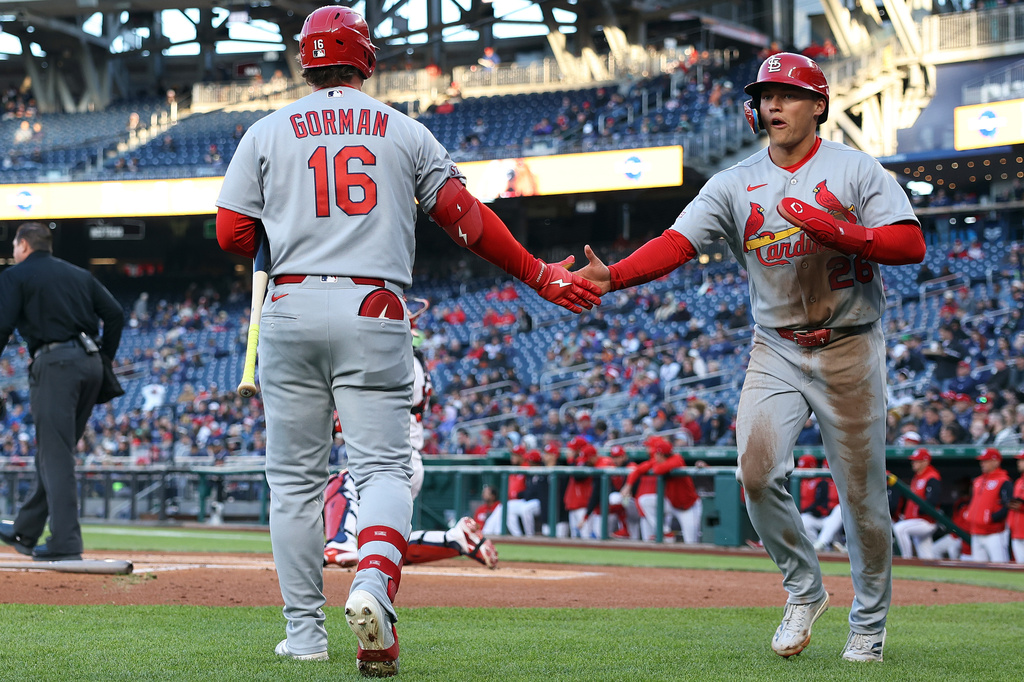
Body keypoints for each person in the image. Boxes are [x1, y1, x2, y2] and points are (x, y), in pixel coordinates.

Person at [214, 6, 600, 675]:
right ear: (367, 60)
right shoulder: (403, 130)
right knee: (383, 470)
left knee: (295, 486)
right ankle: (371, 582)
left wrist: (279, 237)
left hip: (290, 304)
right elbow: (466, 220)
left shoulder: (266, 131)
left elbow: (231, 235)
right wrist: (539, 274)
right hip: (375, 303)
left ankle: (304, 636)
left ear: (305, 61)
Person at [577, 52, 925, 663]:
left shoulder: (855, 168)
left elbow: (910, 242)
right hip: (778, 348)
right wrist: (618, 277)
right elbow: (677, 243)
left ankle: (868, 624)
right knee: (758, 474)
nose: (774, 104)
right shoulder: (734, 182)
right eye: (766, 94)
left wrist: (845, 233)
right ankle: (804, 588)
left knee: (864, 500)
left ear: (817, 104)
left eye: (788, 94)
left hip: (850, 344)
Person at [0, 222, 124, 562]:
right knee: (56, 451)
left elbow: (2, 326)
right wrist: (105, 358)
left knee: (55, 455)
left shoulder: (16, 275)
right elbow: (114, 314)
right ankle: (25, 528)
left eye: (14, 245)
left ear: (24, 244)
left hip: (55, 365)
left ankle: (66, 541)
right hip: (90, 364)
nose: (13, 252)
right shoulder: (79, 274)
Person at [622, 436, 702, 543]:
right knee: (645, 501)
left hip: (688, 506)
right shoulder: (658, 461)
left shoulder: (677, 459)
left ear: (662, 455)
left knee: (691, 543)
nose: (655, 456)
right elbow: (637, 470)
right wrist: (628, 485)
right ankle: (664, 531)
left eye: (657, 454)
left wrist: (654, 465)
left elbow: (659, 470)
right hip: (671, 503)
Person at [964, 447, 1013, 563]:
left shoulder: (1004, 480)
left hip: (995, 533)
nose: (982, 463)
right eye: (982, 461)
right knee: (978, 570)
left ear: (996, 461)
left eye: (986, 461)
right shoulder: (977, 481)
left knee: (1000, 568)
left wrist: (992, 518)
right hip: (976, 531)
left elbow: (1009, 505)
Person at [892, 448, 942, 559]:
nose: (913, 463)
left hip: (925, 520)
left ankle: (907, 559)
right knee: (926, 555)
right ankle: (930, 572)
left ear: (925, 461)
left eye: (917, 461)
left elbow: (933, 500)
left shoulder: (932, 476)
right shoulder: (917, 477)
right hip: (915, 520)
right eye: (913, 460)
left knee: (899, 528)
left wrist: (921, 511)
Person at [1008, 451, 1024, 564]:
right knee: (1019, 567)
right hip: (1017, 531)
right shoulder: (1018, 481)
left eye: (1022, 460)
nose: (1019, 463)